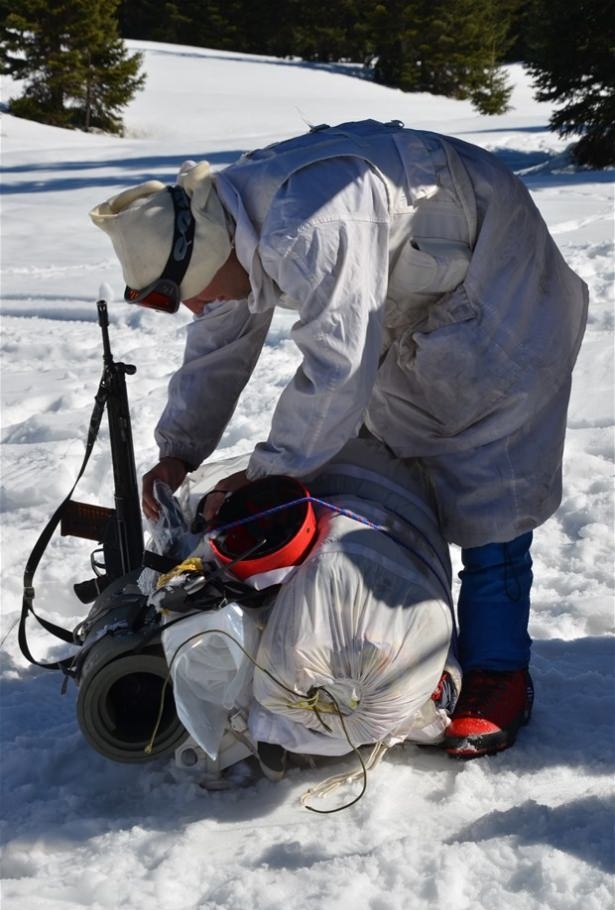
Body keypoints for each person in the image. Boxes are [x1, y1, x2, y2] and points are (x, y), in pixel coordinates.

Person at [90, 118, 588, 758]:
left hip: (500, 284)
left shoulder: (311, 223)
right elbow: (220, 341)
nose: (192, 309)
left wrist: (266, 474)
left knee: (492, 477)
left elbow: (339, 371)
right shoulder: (226, 226)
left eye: (189, 296)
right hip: (423, 293)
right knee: (390, 450)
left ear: (210, 255)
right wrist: (180, 449)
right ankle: (409, 627)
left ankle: (500, 673)